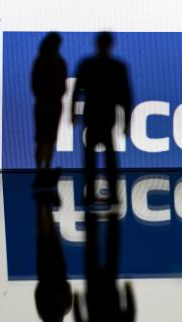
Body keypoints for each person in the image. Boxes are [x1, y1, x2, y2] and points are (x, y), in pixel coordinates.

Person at [74, 210, 135, 322]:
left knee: (111, 254)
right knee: (91, 253)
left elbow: (130, 316)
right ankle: (91, 219)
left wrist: (128, 294)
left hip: (111, 294)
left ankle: (112, 218)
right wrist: (77, 301)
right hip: (93, 296)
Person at [71, 32, 132, 204]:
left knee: (93, 158)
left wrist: (72, 113)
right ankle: (111, 194)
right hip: (104, 117)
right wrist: (127, 121)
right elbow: (126, 96)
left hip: (94, 116)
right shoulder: (116, 66)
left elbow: (76, 91)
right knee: (106, 159)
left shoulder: (88, 64)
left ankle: (93, 193)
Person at [33, 181, 71, 322]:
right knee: (43, 238)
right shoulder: (44, 313)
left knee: (50, 238)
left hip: (56, 272)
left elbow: (67, 287)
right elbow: (38, 292)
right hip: (45, 273)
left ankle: (45, 205)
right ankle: (42, 205)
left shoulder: (65, 308)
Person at [31, 32, 67, 172]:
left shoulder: (43, 61)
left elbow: (34, 84)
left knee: (46, 138)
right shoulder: (57, 62)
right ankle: (43, 168)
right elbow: (35, 84)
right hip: (49, 104)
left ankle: (43, 168)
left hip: (47, 104)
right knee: (45, 139)